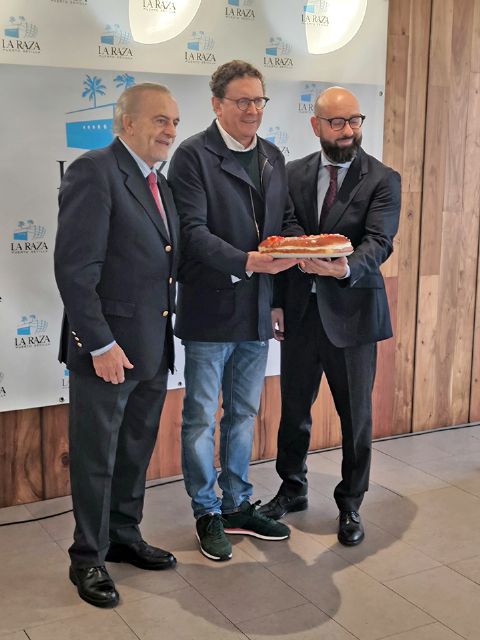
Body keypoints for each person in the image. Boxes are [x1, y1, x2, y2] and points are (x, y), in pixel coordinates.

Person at [168, 60, 303, 561]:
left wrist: (295, 258)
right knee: (202, 416)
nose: (252, 110)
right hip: (210, 307)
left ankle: (237, 504)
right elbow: (193, 234)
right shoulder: (191, 156)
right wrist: (247, 261)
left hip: (257, 309)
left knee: (243, 414)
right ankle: (206, 511)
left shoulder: (272, 156)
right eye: (241, 101)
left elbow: (285, 222)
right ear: (217, 104)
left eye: (258, 101)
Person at [54, 83, 180, 608]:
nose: (170, 130)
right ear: (125, 123)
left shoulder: (159, 183)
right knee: (95, 458)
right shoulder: (95, 171)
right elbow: (75, 271)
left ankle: (124, 537)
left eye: (174, 121)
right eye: (159, 120)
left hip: (151, 349)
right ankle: (87, 557)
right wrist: (100, 343)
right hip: (107, 352)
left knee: (133, 452)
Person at [259, 87, 401, 546]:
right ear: (315, 125)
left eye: (354, 121)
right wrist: (278, 300)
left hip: (354, 313)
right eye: (337, 123)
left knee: (355, 416)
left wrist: (344, 267)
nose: (347, 131)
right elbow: (287, 231)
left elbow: (379, 241)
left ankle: (351, 503)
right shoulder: (293, 173)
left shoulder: (382, 178)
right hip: (300, 312)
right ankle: (292, 488)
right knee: (294, 410)